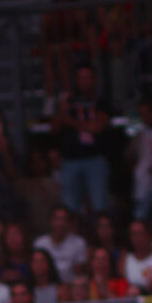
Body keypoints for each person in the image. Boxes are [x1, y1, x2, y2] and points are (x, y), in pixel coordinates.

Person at [51, 64, 111, 216]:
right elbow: (54, 129)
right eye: (80, 78)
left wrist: (71, 122)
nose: (83, 82)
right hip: (70, 160)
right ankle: (74, 239)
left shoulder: (101, 102)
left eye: (87, 78)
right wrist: (62, 111)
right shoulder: (69, 102)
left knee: (98, 206)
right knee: (69, 208)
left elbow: (98, 126)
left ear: (94, 80)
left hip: (96, 158)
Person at [34, 206, 88, 284]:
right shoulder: (40, 243)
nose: (60, 223)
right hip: (48, 285)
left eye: (64, 219)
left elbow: (80, 271)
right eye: (57, 219)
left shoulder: (78, 242)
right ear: (51, 221)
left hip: (72, 286)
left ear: (69, 222)